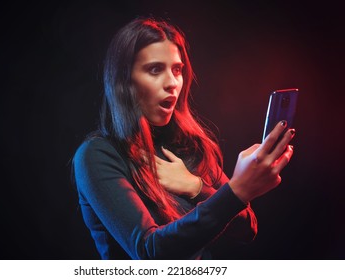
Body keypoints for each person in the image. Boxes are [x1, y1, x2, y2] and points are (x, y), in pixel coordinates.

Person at [72, 17, 295, 260]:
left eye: (177, 70)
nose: (172, 83)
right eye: (155, 69)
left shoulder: (188, 146)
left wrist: (195, 187)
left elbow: (246, 228)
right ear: (124, 80)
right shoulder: (98, 155)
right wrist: (237, 190)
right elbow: (151, 253)